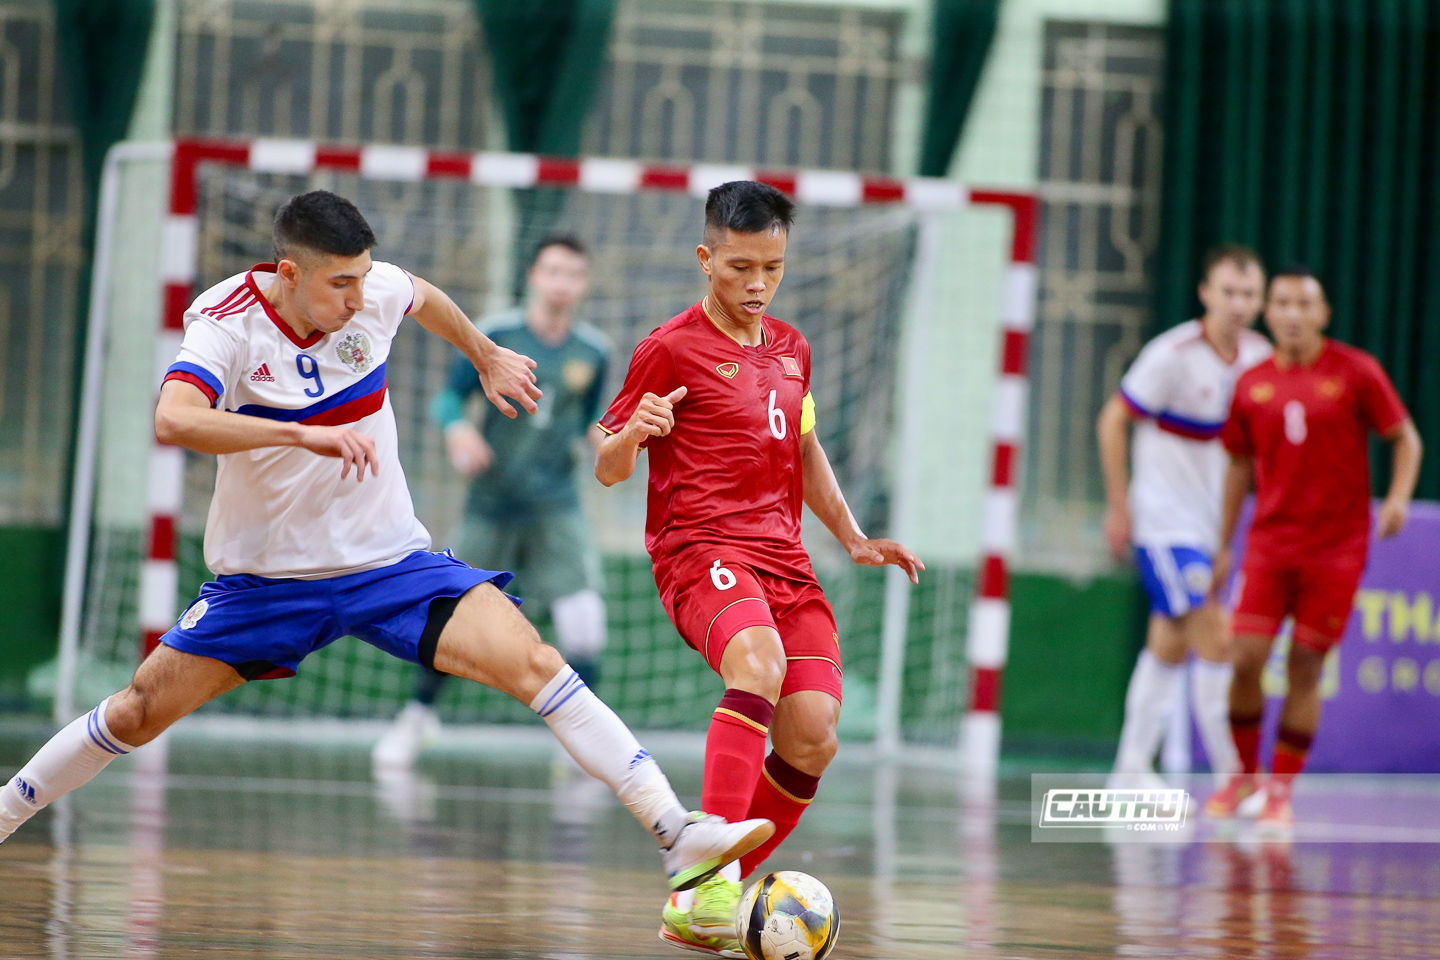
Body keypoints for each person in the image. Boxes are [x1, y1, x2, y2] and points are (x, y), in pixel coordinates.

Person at [0, 191, 773, 896]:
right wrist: (301, 433)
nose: (358, 296)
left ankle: (678, 832)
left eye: (364, 278)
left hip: (389, 563)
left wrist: (484, 353)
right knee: (136, 711)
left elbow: (425, 297)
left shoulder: (370, 295)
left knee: (537, 659)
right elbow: (173, 418)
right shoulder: (227, 321)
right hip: (266, 582)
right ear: (288, 273)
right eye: (339, 283)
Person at [594, 181, 923, 957]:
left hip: (785, 561)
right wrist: (631, 436)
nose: (756, 284)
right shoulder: (667, 348)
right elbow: (606, 466)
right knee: (759, 664)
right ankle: (707, 886)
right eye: (740, 266)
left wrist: (851, 535)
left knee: (813, 734)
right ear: (706, 259)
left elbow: (804, 450)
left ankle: (707, 897)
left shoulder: (792, 349)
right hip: (698, 551)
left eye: (771, 268)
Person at [372, 234, 611, 770]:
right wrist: (458, 430)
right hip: (490, 503)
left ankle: (582, 745)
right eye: (553, 271)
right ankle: (418, 718)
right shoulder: (499, 334)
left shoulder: (593, 351)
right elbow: (446, 398)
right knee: (453, 621)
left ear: (583, 284)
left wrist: (617, 442)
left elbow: (596, 423)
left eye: (573, 274)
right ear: (533, 276)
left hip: (556, 506)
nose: (562, 283)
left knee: (585, 623)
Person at [1205, 266, 1422, 828]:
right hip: (1270, 544)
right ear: (1268, 313)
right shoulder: (1252, 383)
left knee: (1305, 664)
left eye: (1305, 304)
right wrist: (1223, 542)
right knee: (1245, 657)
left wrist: (1396, 498)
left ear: (1323, 314)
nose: (1293, 314)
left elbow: (1405, 439)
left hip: (1336, 548)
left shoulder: (1356, 372)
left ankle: (1279, 792)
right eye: (1282, 303)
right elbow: (1237, 463)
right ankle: (1242, 779)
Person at [1097, 245, 1272, 786]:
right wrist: (1120, 507)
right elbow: (1112, 422)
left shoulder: (1260, 359)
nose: (1238, 304)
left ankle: (1129, 769)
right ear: (1205, 294)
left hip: (1214, 525)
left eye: (1248, 294)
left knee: (1170, 639)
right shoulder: (1171, 355)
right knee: (1218, 639)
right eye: (1228, 292)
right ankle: (1234, 778)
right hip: (1163, 522)